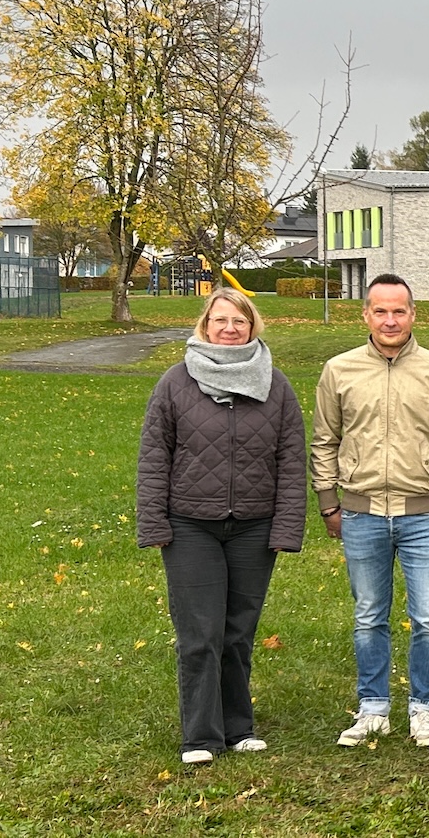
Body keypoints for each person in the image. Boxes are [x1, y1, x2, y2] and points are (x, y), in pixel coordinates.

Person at [311, 273, 429, 749]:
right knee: (370, 616)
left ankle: (424, 708)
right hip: (361, 513)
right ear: (365, 314)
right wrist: (328, 501)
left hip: (424, 516)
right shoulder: (339, 370)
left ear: (413, 314)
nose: (390, 319)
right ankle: (373, 708)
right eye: (380, 310)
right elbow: (325, 440)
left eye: (399, 310)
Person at [137, 288, 306, 765]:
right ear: (205, 325)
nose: (229, 329)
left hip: (254, 527)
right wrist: (153, 523)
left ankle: (238, 728)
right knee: (198, 635)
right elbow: (154, 457)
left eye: (240, 321)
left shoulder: (276, 386)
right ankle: (200, 737)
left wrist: (287, 528)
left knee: (237, 634)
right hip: (190, 525)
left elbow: (292, 463)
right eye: (220, 320)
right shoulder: (175, 383)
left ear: (253, 327)